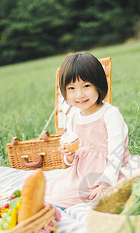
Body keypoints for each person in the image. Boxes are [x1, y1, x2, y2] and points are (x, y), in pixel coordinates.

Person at [45, 52, 130, 209]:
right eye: (71, 88)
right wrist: (69, 156)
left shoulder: (110, 114)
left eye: (86, 86)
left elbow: (116, 154)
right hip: (82, 172)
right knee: (51, 190)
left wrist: (105, 184)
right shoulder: (74, 117)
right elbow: (75, 157)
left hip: (109, 173)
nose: (79, 94)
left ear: (98, 84)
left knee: (65, 199)